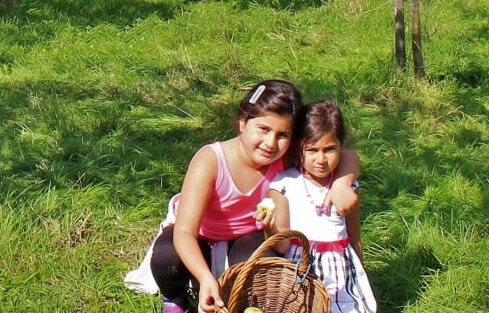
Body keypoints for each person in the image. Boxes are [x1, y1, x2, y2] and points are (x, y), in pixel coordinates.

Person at [139, 80, 359, 313]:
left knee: (257, 269)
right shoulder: (211, 160)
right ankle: (174, 297)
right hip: (202, 233)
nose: (271, 143)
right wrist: (205, 278)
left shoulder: (283, 157)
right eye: (263, 129)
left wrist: (343, 183)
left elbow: (345, 154)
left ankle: (231, 292)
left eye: (283, 135)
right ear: (243, 122)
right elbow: (185, 232)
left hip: (248, 234)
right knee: (167, 260)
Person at [268, 100, 379, 313]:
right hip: (301, 269)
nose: (321, 159)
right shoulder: (284, 184)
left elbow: (354, 237)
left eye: (329, 149)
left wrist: (360, 275)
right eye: (311, 150)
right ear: (298, 147)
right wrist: (268, 226)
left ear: (341, 146)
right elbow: (281, 245)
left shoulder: (347, 187)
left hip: (341, 272)